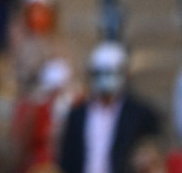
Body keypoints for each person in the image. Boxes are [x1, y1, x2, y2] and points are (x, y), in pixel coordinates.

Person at [58, 41, 160, 173]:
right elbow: (67, 158)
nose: (105, 80)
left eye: (111, 73)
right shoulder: (77, 114)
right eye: (100, 73)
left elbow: (149, 153)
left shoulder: (140, 115)